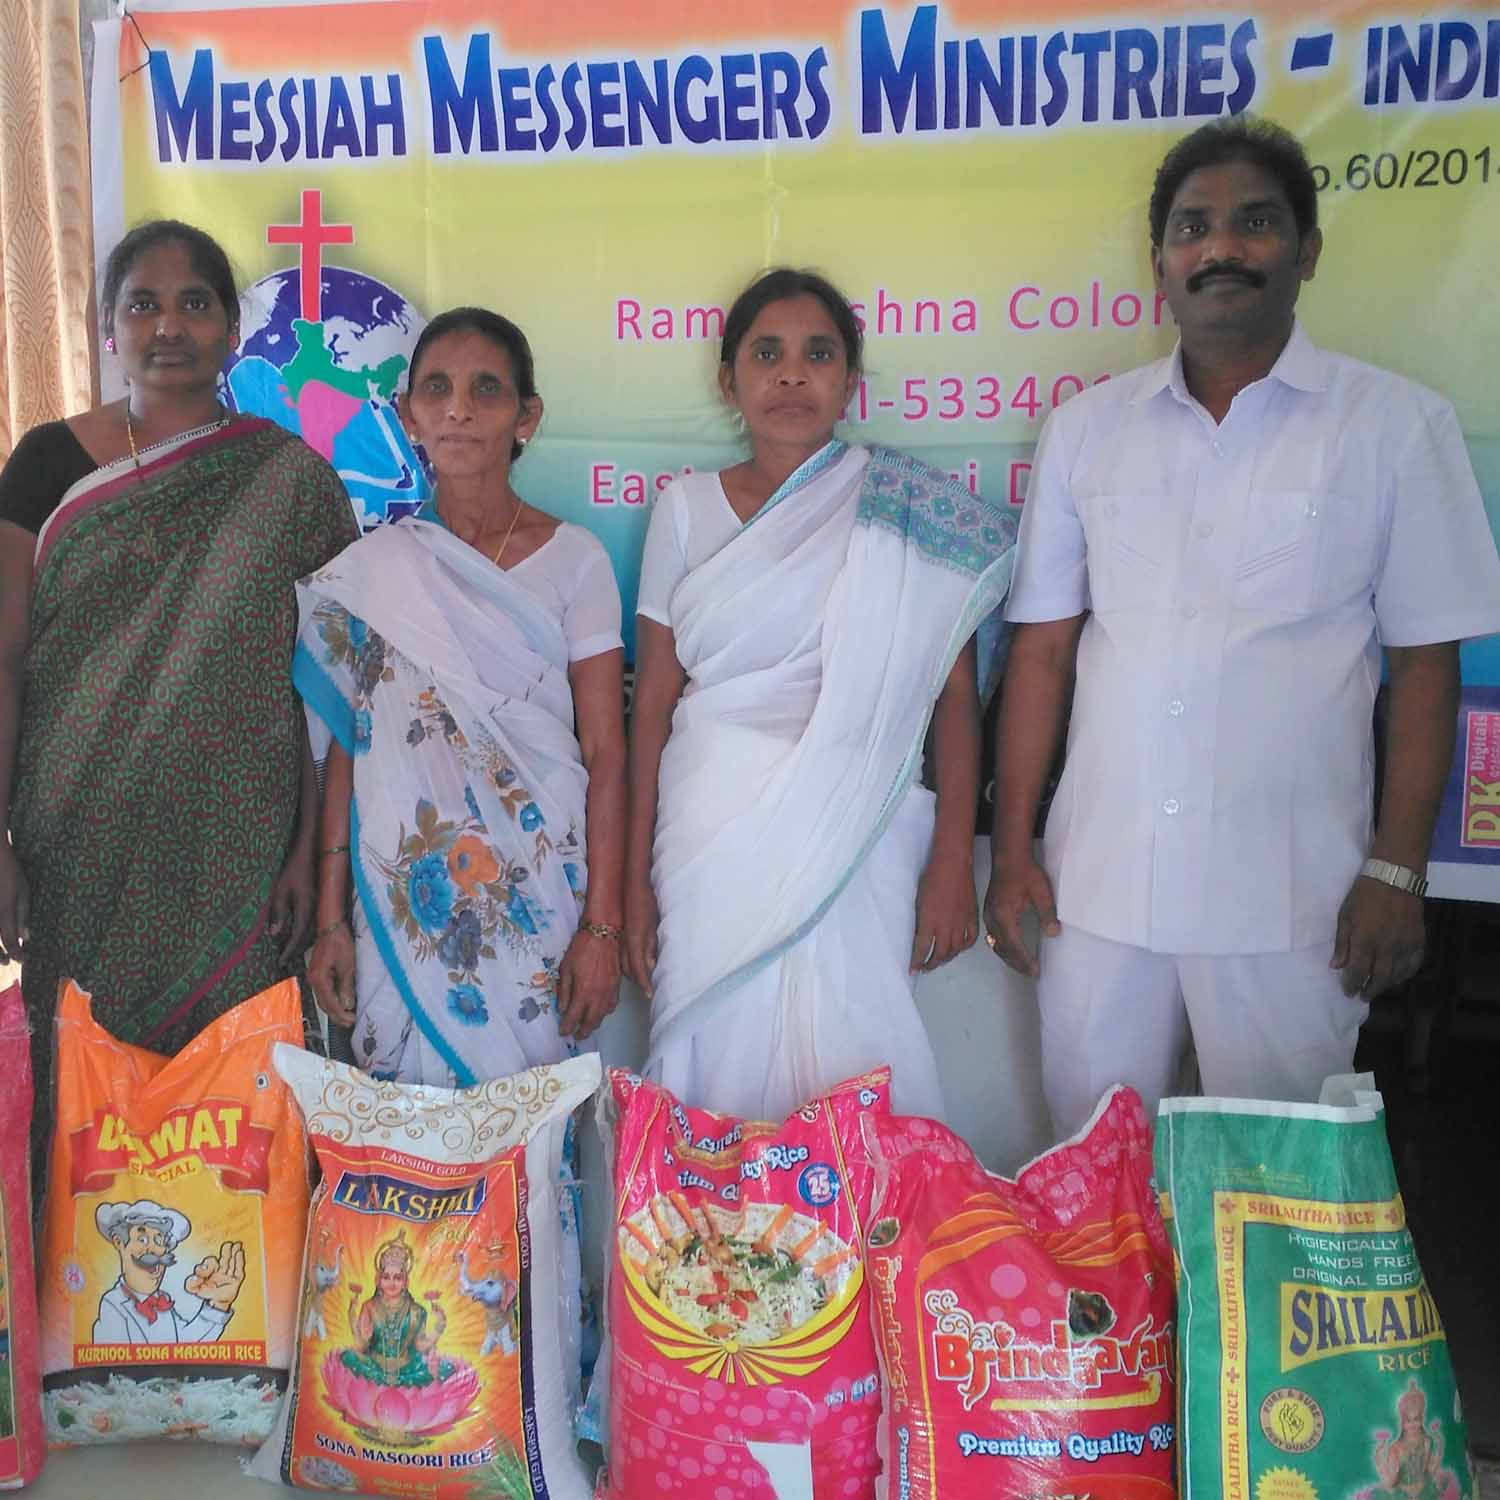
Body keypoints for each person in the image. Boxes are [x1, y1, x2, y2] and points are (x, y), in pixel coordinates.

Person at [983, 117, 1500, 1138]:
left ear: (1308, 251)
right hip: (1099, 890)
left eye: (1255, 223)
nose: (1221, 247)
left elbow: (1425, 668)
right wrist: (1010, 853)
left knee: (1276, 1186)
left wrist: (1397, 870)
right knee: (1092, 1172)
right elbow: (1041, 652)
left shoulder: (1395, 426)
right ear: (1160, 264)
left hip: (1292, 904)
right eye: (1193, 228)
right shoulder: (1088, 430)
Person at [0, 220, 358, 1183]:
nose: (169, 327)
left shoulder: (288, 480)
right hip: (76, 846)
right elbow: (5, 658)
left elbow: (327, 692)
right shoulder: (45, 463)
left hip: (238, 855)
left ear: (232, 328)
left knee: (239, 1111)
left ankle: (243, 1283)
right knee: (82, 1098)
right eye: (143, 305)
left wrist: (303, 851)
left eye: (195, 303)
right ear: (108, 327)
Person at [625, 268, 1017, 1122]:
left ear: (850, 382)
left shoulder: (903, 512)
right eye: (766, 354)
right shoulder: (684, 509)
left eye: (818, 354)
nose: (792, 374)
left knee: (858, 1048)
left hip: (862, 824)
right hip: (709, 829)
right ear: (729, 381)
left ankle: (862, 1214)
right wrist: (631, 886)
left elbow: (953, 700)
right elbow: (651, 704)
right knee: (712, 1060)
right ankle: (710, 1218)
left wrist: (954, 860)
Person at [300, 307, 625, 1085]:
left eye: (486, 389)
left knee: (532, 1118)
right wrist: (329, 918)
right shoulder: (375, 570)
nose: (459, 408)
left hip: (539, 892)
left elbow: (607, 752)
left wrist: (604, 928)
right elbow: (351, 744)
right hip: (403, 901)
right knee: (407, 1122)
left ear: (526, 417)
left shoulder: (575, 559)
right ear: (409, 415)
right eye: (437, 389)